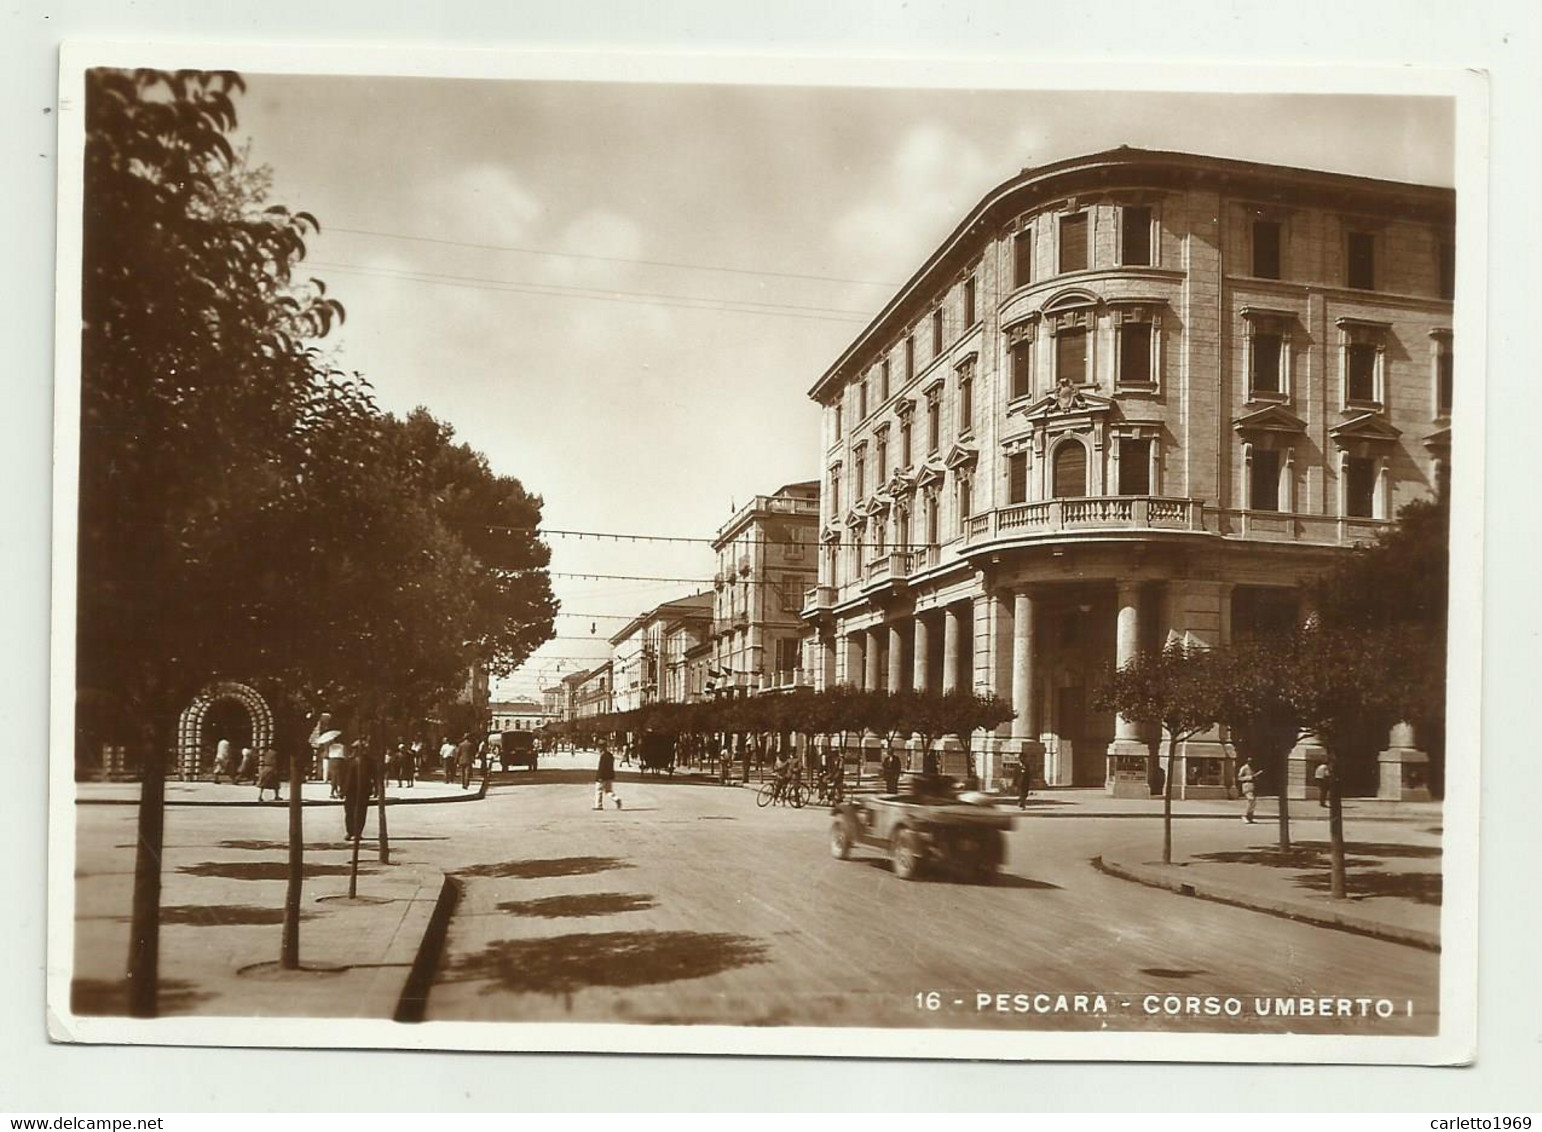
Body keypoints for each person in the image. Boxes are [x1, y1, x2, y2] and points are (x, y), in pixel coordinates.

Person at [339, 741, 371, 841]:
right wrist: (342, 790)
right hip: (350, 790)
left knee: (361, 812)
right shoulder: (349, 761)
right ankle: (350, 831)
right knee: (349, 811)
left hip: (363, 789)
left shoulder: (368, 761)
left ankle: (358, 832)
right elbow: (343, 776)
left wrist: (375, 788)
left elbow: (373, 775)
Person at [595, 744, 621, 810]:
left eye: (599, 748)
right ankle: (616, 799)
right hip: (609, 776)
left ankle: (598, 805)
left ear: (601, 748)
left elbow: (601, 768)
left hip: (602, 776)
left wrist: (599, 777)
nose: (598, 749)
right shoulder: (610, 755)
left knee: (599, 790)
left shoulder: (603, 756)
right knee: (608, 791)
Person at [1236, 756, 1261, 824]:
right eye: (1249, 761)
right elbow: (1239, 777)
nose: (1251, 762)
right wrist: (1249, 777)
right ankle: (1245, 815)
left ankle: (1250, 817)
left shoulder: (1253, 768)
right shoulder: (1244, 768)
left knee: (1253, 802)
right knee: (1251, 800)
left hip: (1252, 785)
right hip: (1246, 785)